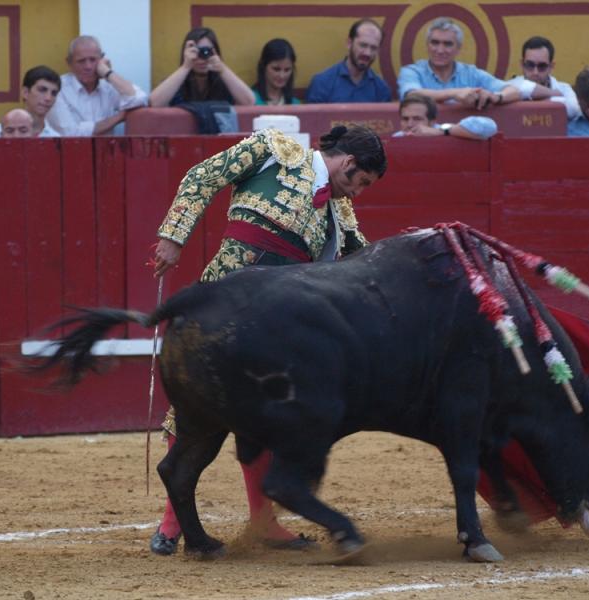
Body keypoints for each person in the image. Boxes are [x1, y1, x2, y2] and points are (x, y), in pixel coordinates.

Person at [150, 125, 387, 555]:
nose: (358, 194)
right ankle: (171, 523)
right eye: (362, 183)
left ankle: (264, 522)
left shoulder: (342, 216)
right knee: (191, 406)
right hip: (220, 303)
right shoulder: (274, 151)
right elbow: (202, 176)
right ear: (348, 164)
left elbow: (368, 271)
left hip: (278, 329)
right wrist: (173, 237)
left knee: (264, 416)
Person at [397, 18, 522, 109]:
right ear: (427, 45)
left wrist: (495, 97)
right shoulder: (412, 71)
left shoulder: (471, 73)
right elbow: (411, 95)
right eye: (435, 43)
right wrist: (455, 93)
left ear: (458, 48)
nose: (440, 50)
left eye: (448, 44)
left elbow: (513, 91)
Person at [47, 35, 148, 136]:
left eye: (93, 60)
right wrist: (120, 117)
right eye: (81, 61)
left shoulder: (108, 86)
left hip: (106, 151)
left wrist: (108, 73)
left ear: (102, 59)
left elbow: (140, 99)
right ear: (69, 63)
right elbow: (71, 133)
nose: (88, 66)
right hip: (70, 150)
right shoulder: (57, 88)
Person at [149, 27, 255, 107]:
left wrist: (222, 68)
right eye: (196, 51)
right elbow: (154, 103)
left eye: (207, 51)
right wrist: (185, 67)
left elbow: (249, 102)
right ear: (186, 52)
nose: (201, 57)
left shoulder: (225, 82)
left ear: (215, 52)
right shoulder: (176, 83)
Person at [305, 19, 392, 103]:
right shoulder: (322, 83)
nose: (367, 53)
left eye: (373, 48)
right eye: (363, 45)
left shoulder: (381, 89)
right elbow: (314, 118)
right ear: (349, 43)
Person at [508, 36, 580, 119]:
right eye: (530, 65)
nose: (535, 72)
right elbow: (524, 87)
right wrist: (553, 95)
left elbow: (573, 109)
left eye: (542, 66)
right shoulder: (511, 86)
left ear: (551, 66)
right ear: (522, 64)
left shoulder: (564, 88)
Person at [0, 66, 61, 138]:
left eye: (53, 93)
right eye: (42, 90)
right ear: (25, 93)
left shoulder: (56, 139)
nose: (48, 98)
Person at [393, 94, 497, 139]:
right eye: (405, 119)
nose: (409, 124)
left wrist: (441, 132)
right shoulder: (397, 138)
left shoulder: (441, 131)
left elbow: (490, 127)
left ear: (432, 122)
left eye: (417, 119)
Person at [252, 38, 301, 105]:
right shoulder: (249, 100)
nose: (282, 75)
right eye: (276, 69)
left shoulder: (295, 104)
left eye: (287, 70)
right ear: (263, 66)